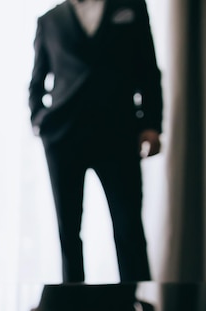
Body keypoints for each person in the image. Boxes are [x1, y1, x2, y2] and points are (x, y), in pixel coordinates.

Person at [29, 0, 163, 283]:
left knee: (129, 230)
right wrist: (40, 120)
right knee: (69, 234)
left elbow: (148, 68)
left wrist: (152, 124)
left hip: (119, 135)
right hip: (63, 139)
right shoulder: (49, 20)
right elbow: (37, 82)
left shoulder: (131, 7)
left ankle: (140, 309)